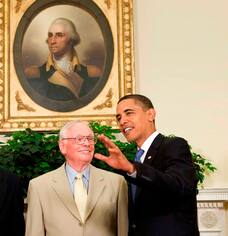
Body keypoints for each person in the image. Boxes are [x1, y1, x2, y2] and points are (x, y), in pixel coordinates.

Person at [94, 94, 199, 236]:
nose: (122, 121)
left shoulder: (173, 145)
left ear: (150, 114)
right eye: (118, 118)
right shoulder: (130, 161)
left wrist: (132, 169)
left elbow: (179, 186)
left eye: (129, 113)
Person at [25, 120, 128, 236]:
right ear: (62, 146)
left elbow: (123, 230)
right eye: (79, 139)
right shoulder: (39, 186)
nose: (86, 143)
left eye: (89, 139)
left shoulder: (116, 183)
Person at [25, 17, 101, 101]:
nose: (52, 41)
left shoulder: (92, 74)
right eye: (50, 35)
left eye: (59, 35)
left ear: (71, 40)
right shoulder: (34, 74)